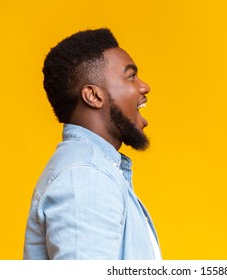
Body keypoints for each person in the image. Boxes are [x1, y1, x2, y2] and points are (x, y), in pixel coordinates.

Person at [23, 28, 161, 260]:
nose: (144, 86)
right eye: (131, 76)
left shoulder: (94, 171)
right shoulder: (85, 177)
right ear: (94, 96)